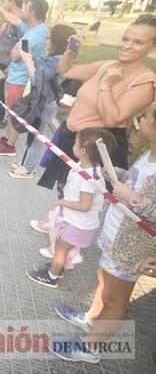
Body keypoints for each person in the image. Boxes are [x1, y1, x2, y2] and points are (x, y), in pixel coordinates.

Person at [50, 102, 156, 363]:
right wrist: (116, 175)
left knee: (115, 299)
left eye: (145, 115)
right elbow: (135, 182)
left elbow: (147, 206)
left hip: (132, 247)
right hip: (116, 234)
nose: (138, 118)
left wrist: (131, 197)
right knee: (103, 280)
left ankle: (91, 347)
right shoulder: (149, 155)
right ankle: (91, 319)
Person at [38, 14, 156, 190]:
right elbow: (66, 70)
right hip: (74, 142)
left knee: (84, 205)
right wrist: (71, 50)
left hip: (98, 153)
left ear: (152, 47)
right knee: (66, 193)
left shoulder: (145, 81)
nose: (127, 46)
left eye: (138, 42)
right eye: (125, 39)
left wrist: (106, 85)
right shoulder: (108, 65)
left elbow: (112, 119)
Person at [26, 129, 115, 288]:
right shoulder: (88, 166)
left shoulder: (89, 178)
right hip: (77, 221)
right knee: (61, 245)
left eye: (75, 143)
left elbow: (84, 205)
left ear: (83, 151)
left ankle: (52, 276)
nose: (73, 145)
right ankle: (56, 267)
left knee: (61, 248)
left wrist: (63, 202)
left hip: (80, 224)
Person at [8, 24, 76, 179]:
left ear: (57, 42)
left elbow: (37, 80)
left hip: (45, 103)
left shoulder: (56, 61)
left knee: (38, 136)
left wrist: (27, 60)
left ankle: (28, 169)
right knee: (33, 134)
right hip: (42, 101)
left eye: (50, 37)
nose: (46, 39)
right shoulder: (52, 57)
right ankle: (25, 163)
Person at [0, 0, 51, 156]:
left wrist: (14, 51)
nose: (22, 11)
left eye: (26, 7)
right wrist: (1, 9)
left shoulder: (33, 35)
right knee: (12, 112)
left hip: (20, 80)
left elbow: (16, 55)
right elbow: (15, 21)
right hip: (18, 77)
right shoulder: (39, 29)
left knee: (16, 113)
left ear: (31, 12)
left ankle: (10, 145)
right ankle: (7, 138)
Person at [0, 0, 24, 128]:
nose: (5, 3)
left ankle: (1, 118)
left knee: (2, 92)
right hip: (0, 58)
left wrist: (10, 65)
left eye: (7, 1)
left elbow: (20, 44)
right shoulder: (9, 19)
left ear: (12, 2)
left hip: (7, 61)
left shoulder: (18, 22)